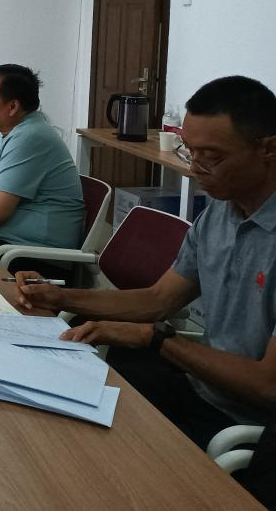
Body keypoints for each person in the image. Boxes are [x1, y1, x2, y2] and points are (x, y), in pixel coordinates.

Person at [16, 76, 276, 450]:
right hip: (198, 387)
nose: (196, 168)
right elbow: (158, 299)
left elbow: (267, 386)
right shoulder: (220, 213)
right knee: (60, 408)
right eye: (190, 152)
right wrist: (58, 296)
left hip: (246, 428)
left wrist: (158, 340)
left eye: (212, 157)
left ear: (268, 148)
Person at [0, 64, 84, 251]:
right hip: (10, 241)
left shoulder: (29, 136)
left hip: (35, 252)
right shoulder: (10, 131)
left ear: (13, 106)